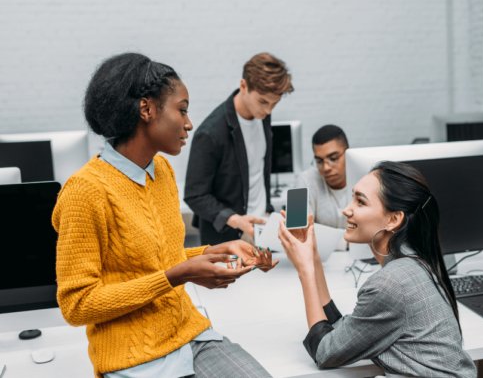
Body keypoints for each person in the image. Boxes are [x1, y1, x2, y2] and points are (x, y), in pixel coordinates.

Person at [53, 53, 276, 378]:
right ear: (147, 109)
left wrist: (214, 252)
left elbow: (159, 259)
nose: (188, 123)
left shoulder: (162, 171)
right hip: (134, 360)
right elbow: (77, 305)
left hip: (190, 334)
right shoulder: (85, 191)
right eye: (182, 109)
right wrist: (178, 275)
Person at [278, 161, 476, 377]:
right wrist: (314, 258)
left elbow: (325, 352)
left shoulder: (391, 283)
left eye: (360, 202)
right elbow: (342, 334)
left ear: (393, 219)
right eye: (352, 197)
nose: (346, 210)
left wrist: (304, 270)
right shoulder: (414, 265)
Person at [184, 52, 294, 245]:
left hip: (262, 228)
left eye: (274, 104)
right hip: (227, 237)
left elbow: (257, 170)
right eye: (263, 102)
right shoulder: (210, 134)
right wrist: (236, 220)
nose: (268, 110)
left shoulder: (263, 116)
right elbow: (195, 195)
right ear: (243, 86)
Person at [295, 125, 351, 231]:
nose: (326, 168)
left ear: (348, 153)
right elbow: (297, 232)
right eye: (319, 161)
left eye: (333, 158)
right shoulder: (302, 179)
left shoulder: (366, 177)